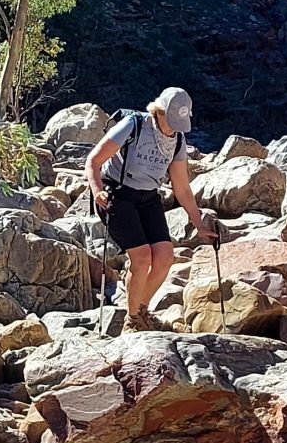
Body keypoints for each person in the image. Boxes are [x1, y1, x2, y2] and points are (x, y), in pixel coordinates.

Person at [86, 87, 217, 330]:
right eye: (171, 121)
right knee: (142, 258)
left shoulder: (177, 140)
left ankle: (140, 310)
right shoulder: (133, 126)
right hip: (117, 194)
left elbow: (182, 187)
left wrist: (199, 224)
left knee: (165, 258)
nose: (174, 128)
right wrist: (97, 191)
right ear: (159, 111)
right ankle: (132, 320)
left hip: (148, 197)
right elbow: (93, 161)